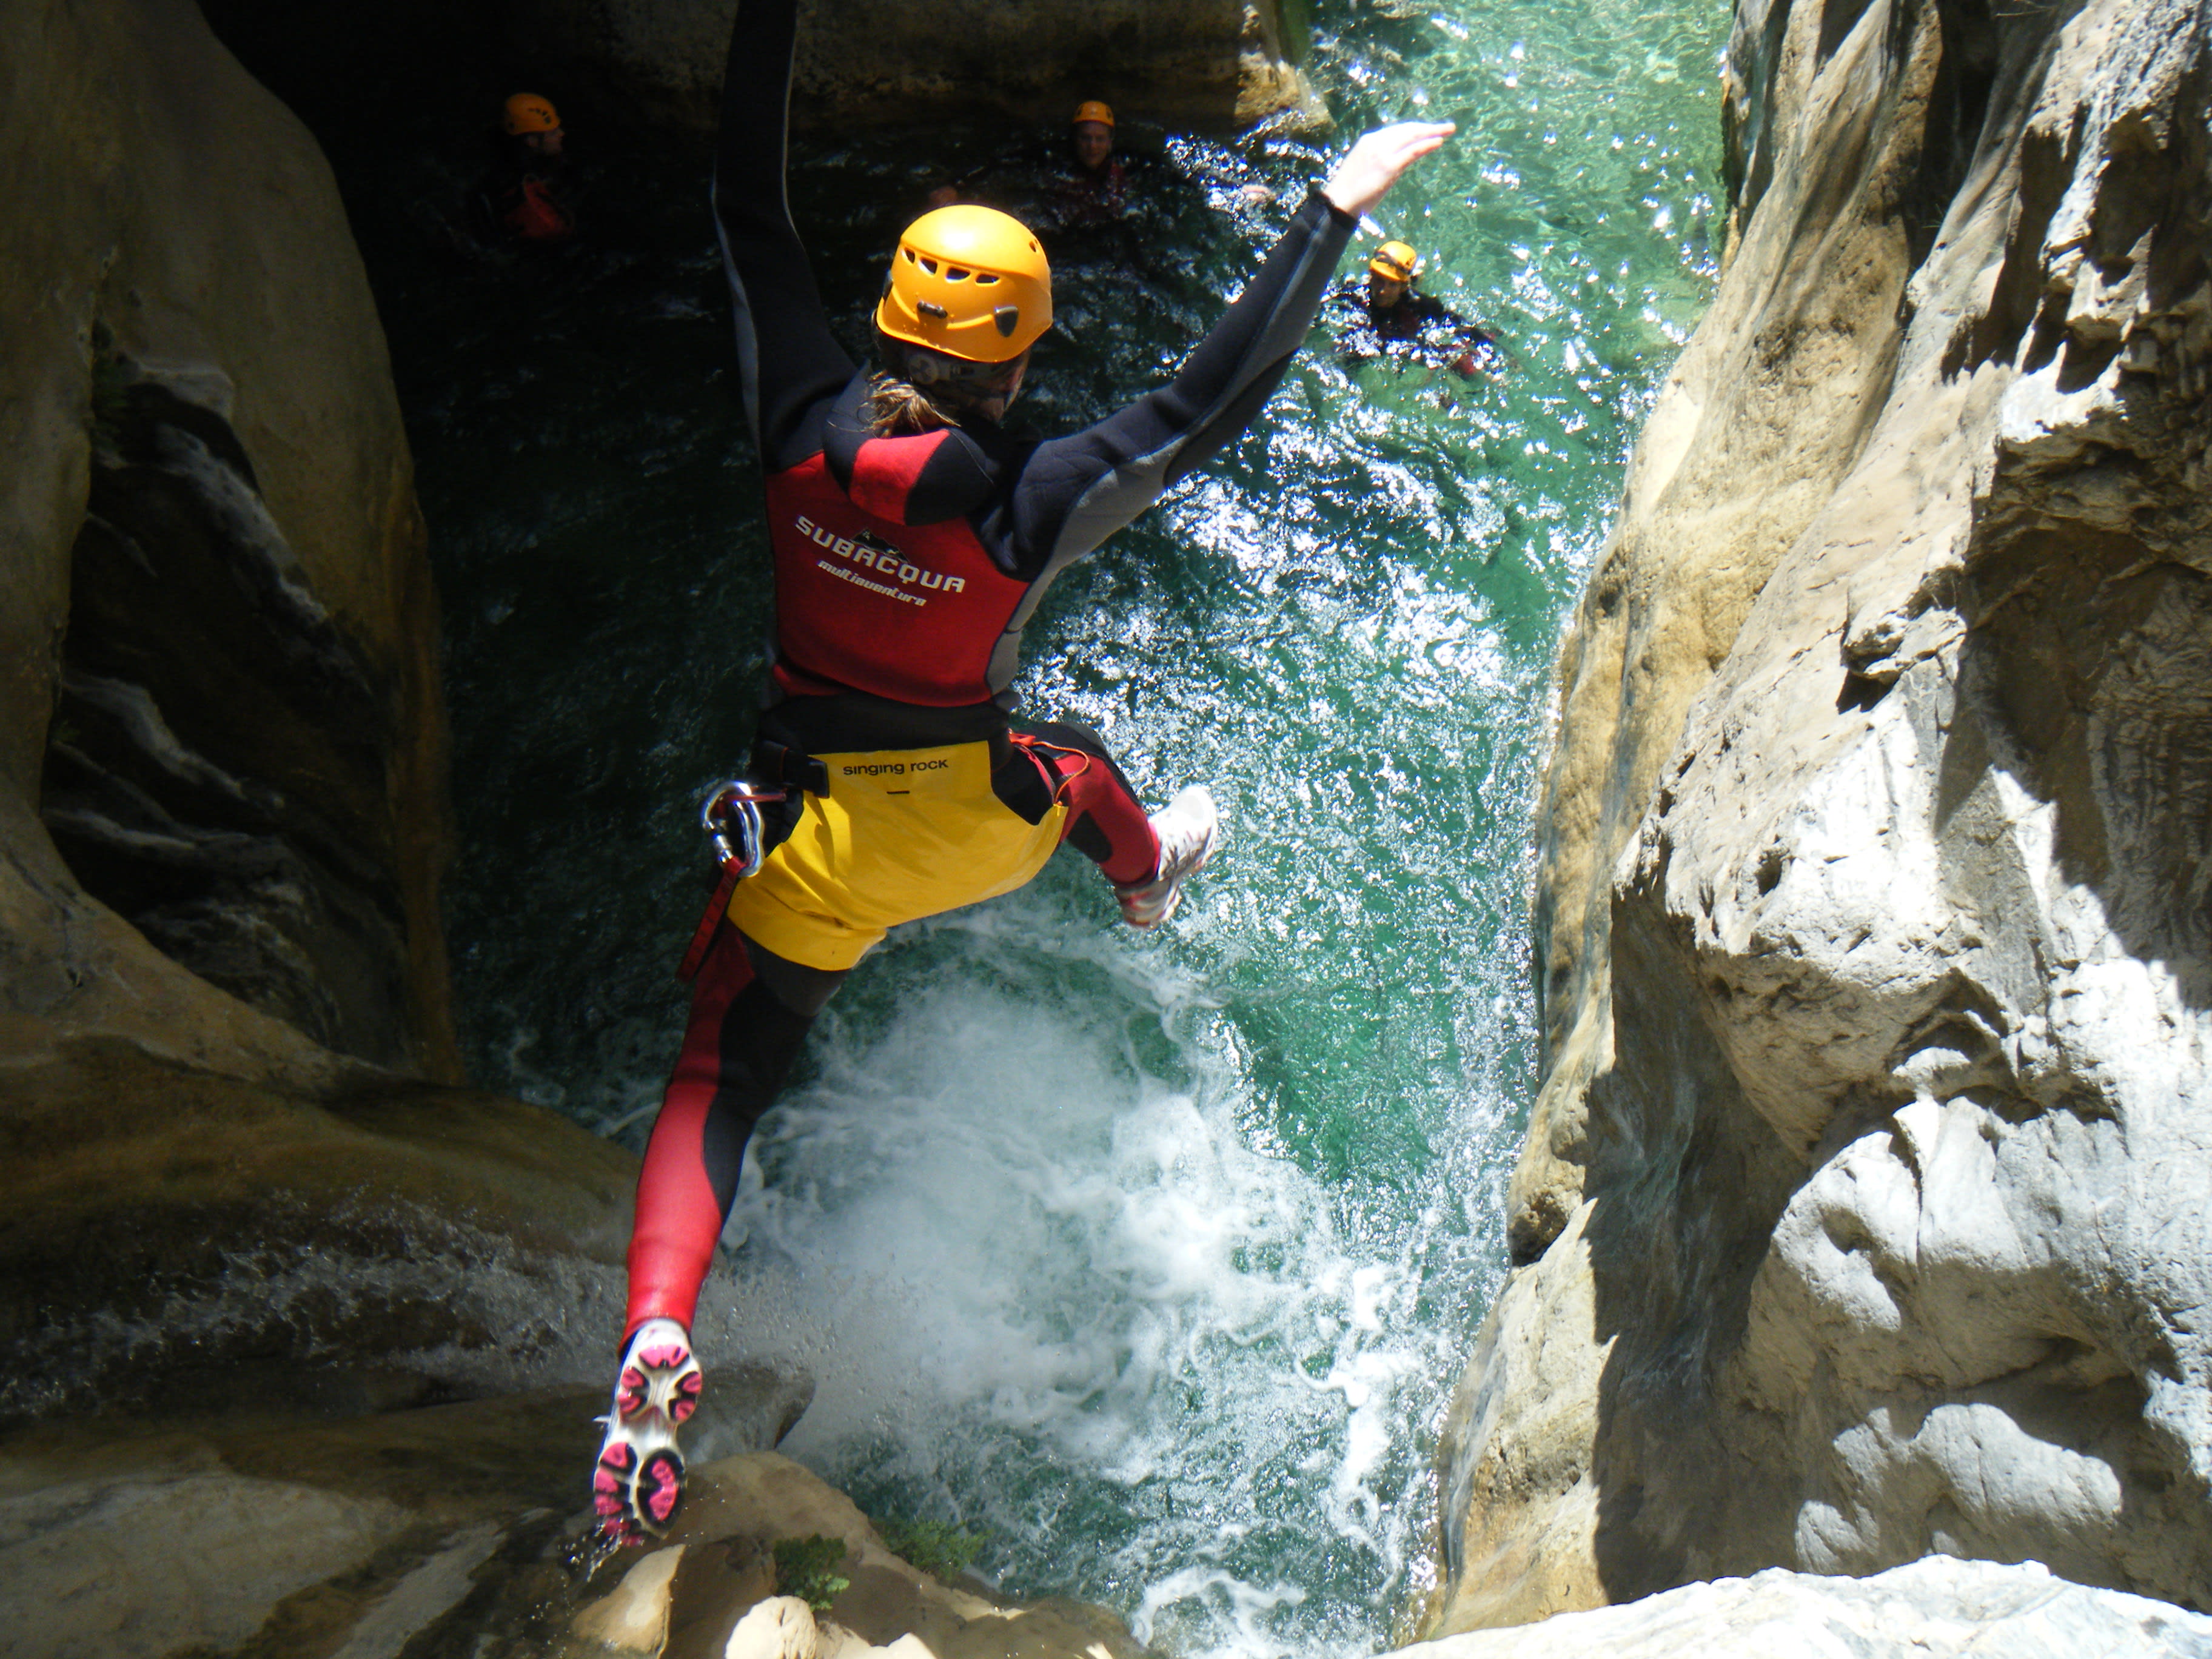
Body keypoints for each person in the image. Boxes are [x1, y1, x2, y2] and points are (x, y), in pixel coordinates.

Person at [585, 0, 1453, 1549]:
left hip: (808, 836)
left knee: (721, 1067)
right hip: (979, 828)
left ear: (889, 318)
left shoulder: (795, 416)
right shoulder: (1031, 501)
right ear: (1022, 351)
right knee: (1074, 767)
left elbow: (745, 205)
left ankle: (657, 1329)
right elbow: (1206, 403)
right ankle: (1142, 886)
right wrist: (1329, 213)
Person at [1336, 240, 1496, 377]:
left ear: (1404, 286)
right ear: (1371, 276)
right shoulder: (1354, 296)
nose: (1383, 290)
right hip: (1372, 343)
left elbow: (1459, 326)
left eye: (1392, 284)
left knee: (1464, 366)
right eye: (1379, 280)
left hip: (1409, 346)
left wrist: (1488, 347)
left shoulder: (1421, 305)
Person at [468, 92, 578, 246]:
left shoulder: (525, 156)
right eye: (553, 133)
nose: (561, 134)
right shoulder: (514, 182)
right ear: (532, 141)